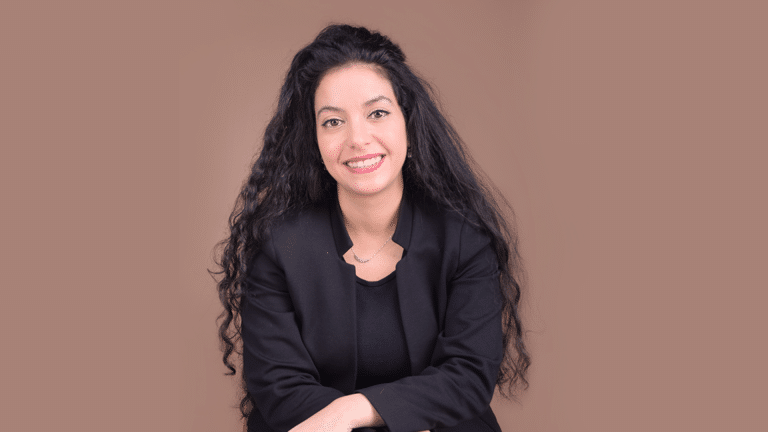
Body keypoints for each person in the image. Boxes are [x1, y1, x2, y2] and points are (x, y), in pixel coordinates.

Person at [214, 24, 530, 432]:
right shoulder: (276, 244)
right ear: (314, 140)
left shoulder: (464, 236)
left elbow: (468, 375)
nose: (357, 139)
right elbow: (280, 387)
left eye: (377, 113)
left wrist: (351, 412)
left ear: (408, 122)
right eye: (333, 122)